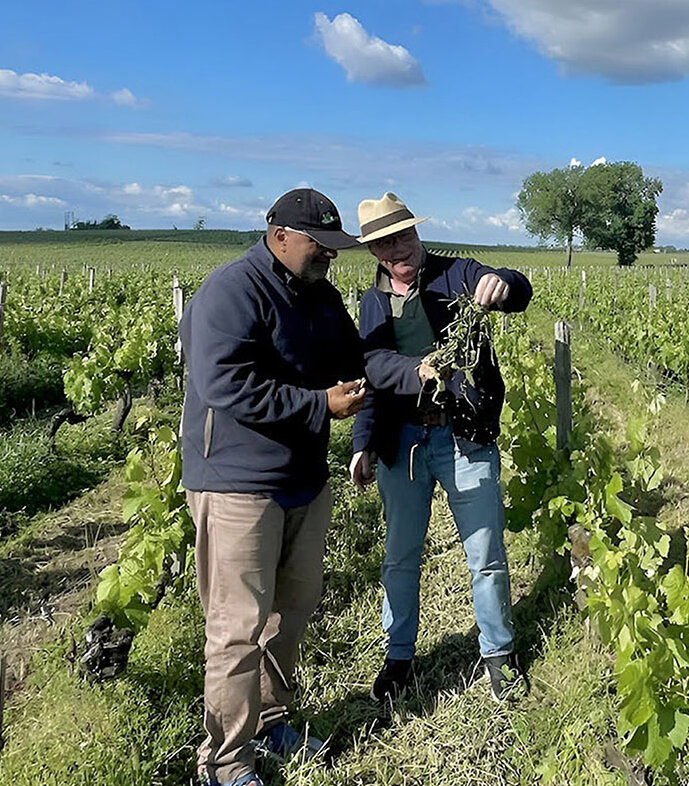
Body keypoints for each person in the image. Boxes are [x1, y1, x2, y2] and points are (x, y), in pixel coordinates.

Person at [181, 188, 366, 786]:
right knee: (237, 627)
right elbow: (225, 385)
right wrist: (319, 405)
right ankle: (226, 762)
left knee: (290, 611)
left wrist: (408, 367)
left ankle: (274, 721)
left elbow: (353, 360)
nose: (330, 257)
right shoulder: (231, 291)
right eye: (321, 245)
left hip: (302, 481)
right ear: (279, 234)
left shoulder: (320, 294)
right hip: (237, 482)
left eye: (336, 248)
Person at [348, 192, 533, 704]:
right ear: (374, 253)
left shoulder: (457, 274)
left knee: (485, 552)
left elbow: (518, 290)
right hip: (402, 443)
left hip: (462, 435)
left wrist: (505, 284)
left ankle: (499, 653)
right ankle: (399, 657)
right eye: (384, 244)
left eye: (403, 236)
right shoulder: (372, 303)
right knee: (401, 556)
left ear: (417, 232)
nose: (397, 250)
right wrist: (363, 442)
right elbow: (373, 376)